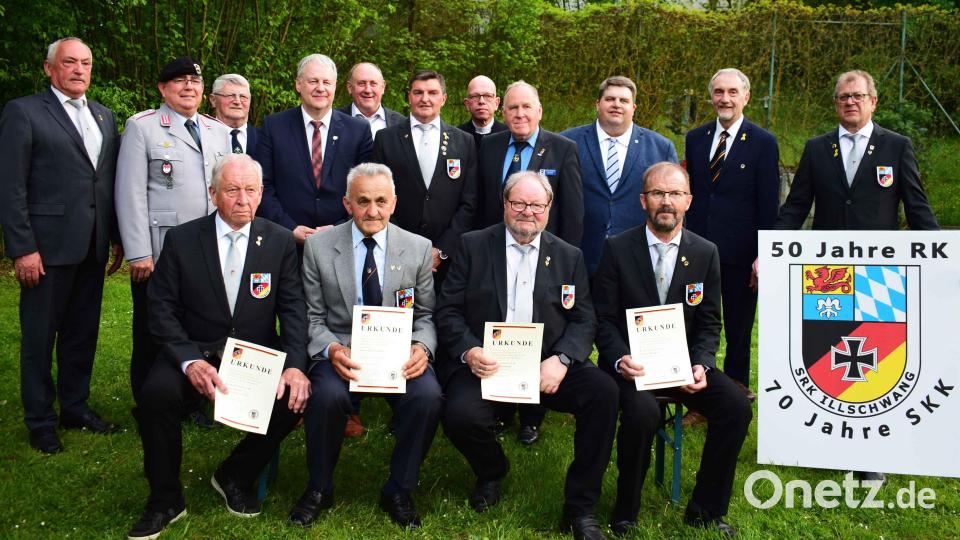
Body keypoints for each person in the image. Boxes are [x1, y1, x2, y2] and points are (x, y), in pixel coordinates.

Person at [127, 153, 310, 540]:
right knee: (156, 394)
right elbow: (160, 310)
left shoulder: (278, 242)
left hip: (253, 355)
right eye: (232, 190)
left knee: (295, 395)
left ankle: (236, 474)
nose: (242, 199)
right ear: (213, 193)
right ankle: (165, 500)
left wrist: (294, 364)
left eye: (250, 190)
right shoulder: (182, 239)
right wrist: (190, 361)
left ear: (261, 194)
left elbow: (294, 309)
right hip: (195, 351)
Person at [775, 69, 938, 484]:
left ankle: (869, 456)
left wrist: (941, 258)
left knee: (875, 363)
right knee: (830, 358)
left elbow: (916, 209)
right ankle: (829, 444)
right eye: (844, 97)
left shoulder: (897, 147)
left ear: (873, 102)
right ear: (836, 103)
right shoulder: (817, 149)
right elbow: (796, 208)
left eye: (858, 95)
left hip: (879, 276)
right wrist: (769, 253)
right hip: (826, 275)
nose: (850, 101)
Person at [436, 171, 618, 540]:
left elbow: (585, 318)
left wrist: (563, 360)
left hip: (545, 365)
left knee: (604, 393)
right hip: (487, 362)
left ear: (549, 209)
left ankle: (580, 508)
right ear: (504, 204)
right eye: (518, 203)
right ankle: (492, 470)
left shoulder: (569, 256)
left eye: (536, 205)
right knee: (458, 415)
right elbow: (448, 310)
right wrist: (470, 351)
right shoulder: (473, 245)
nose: (527, 212)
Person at [592, 162, 752, 537]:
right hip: (634, 370)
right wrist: (619, 358)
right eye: (659, 194)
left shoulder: (705, 252)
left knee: (735, 406)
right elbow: (604, 319)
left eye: (675, 194)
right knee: (643, 414)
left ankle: (706, 510)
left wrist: (701, 363)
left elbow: (710, 321)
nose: (667, 202)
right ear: (643, 200)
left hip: (684, 367)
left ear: (689, 201)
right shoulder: (617, 248)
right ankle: (626, 509)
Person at [290, 163, 441, 530]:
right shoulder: (319, 247)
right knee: (326, 397)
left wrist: (421, 347)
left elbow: (424, 315)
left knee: (428, 396)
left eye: (380, 201)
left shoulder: (418, 248)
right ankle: (319, 487)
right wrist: (332, 351)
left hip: (397, 352)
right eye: (362, 201)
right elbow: (312, 317)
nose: (372, 211)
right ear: (347, 203)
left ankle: (399, 490)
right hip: (343, 350)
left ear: (393, 203)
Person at [0, 36, 121, 453]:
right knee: (39, 335)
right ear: (50, 68)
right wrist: (22, 248)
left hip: (92, 245)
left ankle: (75, 405)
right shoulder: (24, 112)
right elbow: (11, 186)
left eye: (86, 63)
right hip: (46, 249)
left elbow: (106, 185)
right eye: (69, 62)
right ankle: (39, 419)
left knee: (81, 333)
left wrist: (117, 238)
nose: (79, 70)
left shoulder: (104, 117)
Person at [115, 55, 231, 406]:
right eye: (180, 81)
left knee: (199, 325)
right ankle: (149, 402)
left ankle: (195, 399)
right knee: (153, 328)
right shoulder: (143, 127)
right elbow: (129, 191)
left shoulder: (218, 131)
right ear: (163, 89)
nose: (188, 87)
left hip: (206, 250)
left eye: (195, 82)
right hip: (160, 248)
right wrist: (138, 251)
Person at [684, 68, 780, 405]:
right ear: (711, 96)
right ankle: (693, 395)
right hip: (697, 252)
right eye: (719, 92)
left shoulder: (763, 143)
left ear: (746, 97)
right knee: (693, 324)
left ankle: (735, 395)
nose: (725, 99)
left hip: (741, 255)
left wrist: (763, 254)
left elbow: (769, 204)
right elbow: (692, 195)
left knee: (739, 331)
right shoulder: (695, 139)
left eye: (732, 92)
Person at [371, 69, 477, 290]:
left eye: (432, 92)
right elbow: (378, 198)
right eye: (418, 92)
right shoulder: (386, 139)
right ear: (409, 97)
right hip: (397, 253)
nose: (425, 99)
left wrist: (441, 250)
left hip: (447, 260)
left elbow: (469, 203)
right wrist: (405, 247)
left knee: (444, 320)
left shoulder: (463, 142)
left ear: (444, 98)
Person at [561, 76, 678, 275]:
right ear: (597, 104)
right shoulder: (567, 142)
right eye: (610, 99)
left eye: (623, 101)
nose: (616, 105)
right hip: (580, 257)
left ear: (634, 107)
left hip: (638, 259)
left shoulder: (660, 148)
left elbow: (676, 204)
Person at [254, 54, 373, 244]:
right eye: (313, 81)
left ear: (335, 87)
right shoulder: (273, 127)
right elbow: (263, 187)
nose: (321, 88)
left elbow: (367, 190)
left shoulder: (358, 131)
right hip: (285, 242)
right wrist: (289, 228)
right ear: (298, 85)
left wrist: (339, 228)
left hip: (342, 242)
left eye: (327, 82)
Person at [477, 81, 583, 247]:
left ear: (539, 111)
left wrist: (565, 261)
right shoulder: (489, 145)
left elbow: (572, 215)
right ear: (504, 113)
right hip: (493, 250)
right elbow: (479, 202)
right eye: (513, 108)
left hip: (543, 252)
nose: (520, 114)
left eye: (526, 106)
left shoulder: (564, 149)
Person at [336, 62, 406, 139]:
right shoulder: (333, 121)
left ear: (382, 87)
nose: (368, 90)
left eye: (373, 83)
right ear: (349, 87)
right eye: (362, 83)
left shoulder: (402, 124)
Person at [208, 73, 259, 155]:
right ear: (213, 100)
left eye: (243, 97)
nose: (237, 102)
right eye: (230, 96)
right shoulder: (203, 137)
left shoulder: (264, 139)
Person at [459, 75, 507, 149]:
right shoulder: (457, 136)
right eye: (475, 96)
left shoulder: (509, 136)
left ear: (496, 103)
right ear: (467, 104)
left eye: (488, 96)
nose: (481, 101)